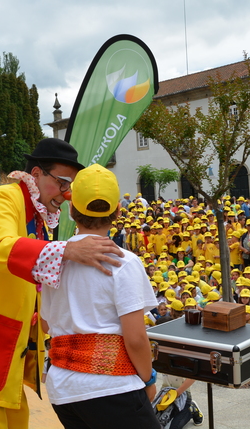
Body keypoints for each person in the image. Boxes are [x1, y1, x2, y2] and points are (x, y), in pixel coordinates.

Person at [0, 138, 124, 428]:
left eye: (71, 186)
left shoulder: (39, 216)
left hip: (1, 341)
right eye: (63, 182)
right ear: (37, 174)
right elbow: (1, 247)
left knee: (16, 420)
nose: (67, 194)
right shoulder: (3, 198)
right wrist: (68, 250)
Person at [41, 164, 159, 427]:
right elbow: (137, 338)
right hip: (111, 386)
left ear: (70, 210)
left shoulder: (53, 258)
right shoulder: (123, 262)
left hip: (62, 387)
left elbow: (46, 324)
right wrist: (148, 379)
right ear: (118, 211)